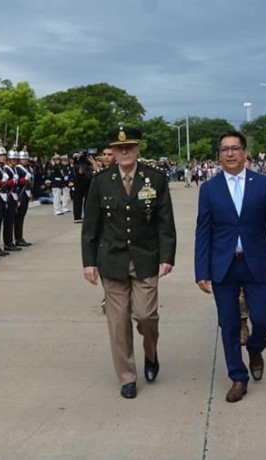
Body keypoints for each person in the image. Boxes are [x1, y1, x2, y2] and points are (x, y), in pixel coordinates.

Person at [81, 126, 177, 400]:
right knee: (118, 322)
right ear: (112, 151)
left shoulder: (154, 179)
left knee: (146, 316)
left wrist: (167, 257)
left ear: (137, 149)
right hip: (112, 260)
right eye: (119, 148)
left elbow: (165, 222)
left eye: (129, 147)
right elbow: (90, 226)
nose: (124, 152)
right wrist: (89, 261)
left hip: (146, 257)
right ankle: (127, 376)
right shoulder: (101, 181)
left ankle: (150, 353)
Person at [195, 131, 266, 403]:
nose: (230, 153)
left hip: (257, 263)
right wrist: (202, 271)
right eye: (225, 149)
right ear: (219, 155)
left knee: (262, 319)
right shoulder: (209, 189)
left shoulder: (263, 185)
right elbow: (203, 231)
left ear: (246, 152)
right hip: (223, 265)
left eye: (235, 148)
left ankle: (256, 348)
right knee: (229, 324)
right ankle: (238, 377)